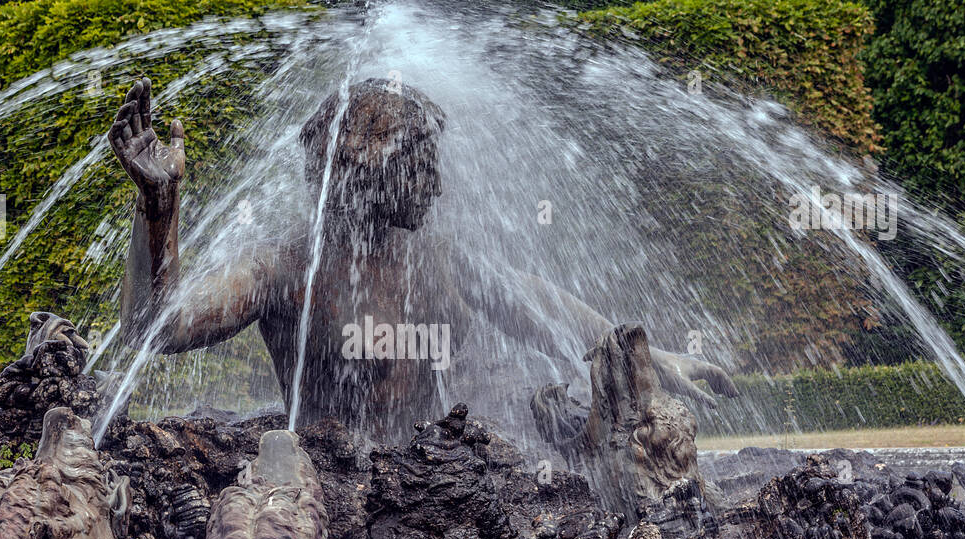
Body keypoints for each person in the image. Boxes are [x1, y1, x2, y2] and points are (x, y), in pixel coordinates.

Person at [110, 76, 736, 442]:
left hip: (440, 491)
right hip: (332, 498)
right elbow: (153, 329)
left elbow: (542, 305)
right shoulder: (284, 268)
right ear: (366, 169)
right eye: (419, 166)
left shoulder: (439, 259)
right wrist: (156, 213)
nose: (436, 185)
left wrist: (649, 355)